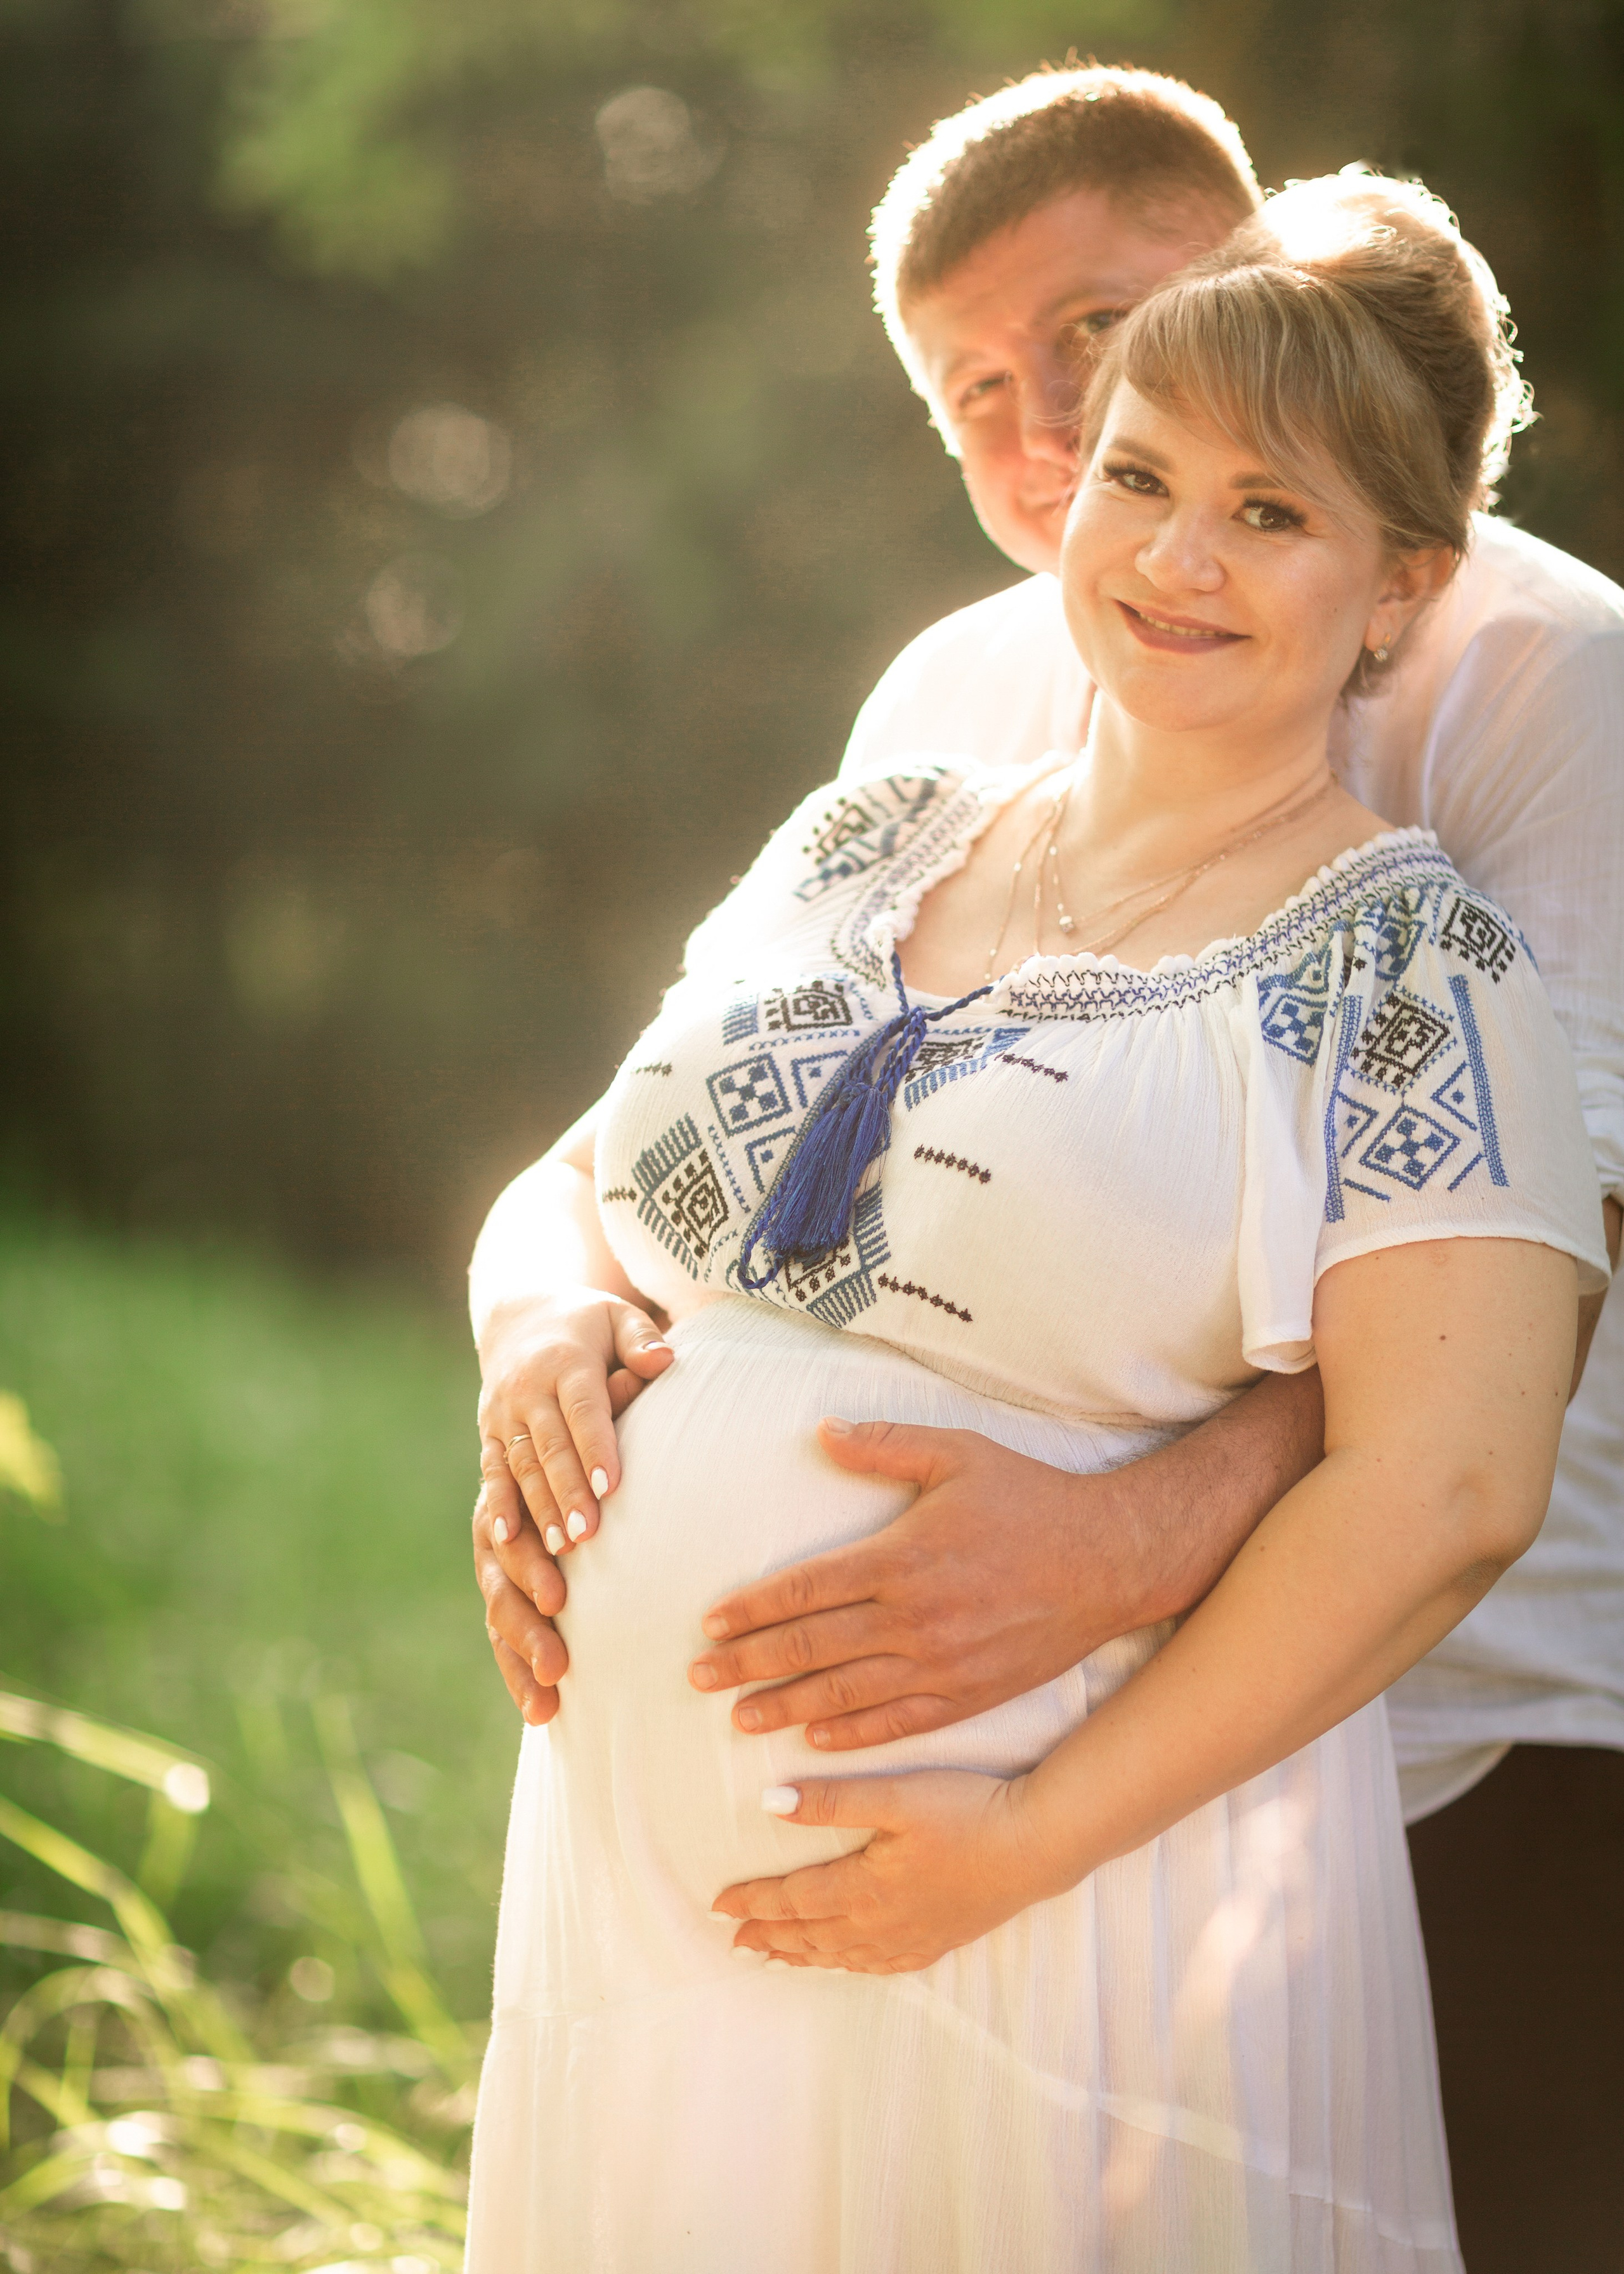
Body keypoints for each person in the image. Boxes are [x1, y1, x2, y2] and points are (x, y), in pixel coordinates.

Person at [475, 73, 1624, 2268]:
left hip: (1175, 1840)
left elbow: (1478, 1415)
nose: (1165, 540)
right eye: (1122, 467)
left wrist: (1102, 1606)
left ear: (1402, 583)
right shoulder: (894, 800)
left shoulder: (1439, 878)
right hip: (663, 1932)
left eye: (1270, 511)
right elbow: (619, 1162)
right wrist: (544, 1354)